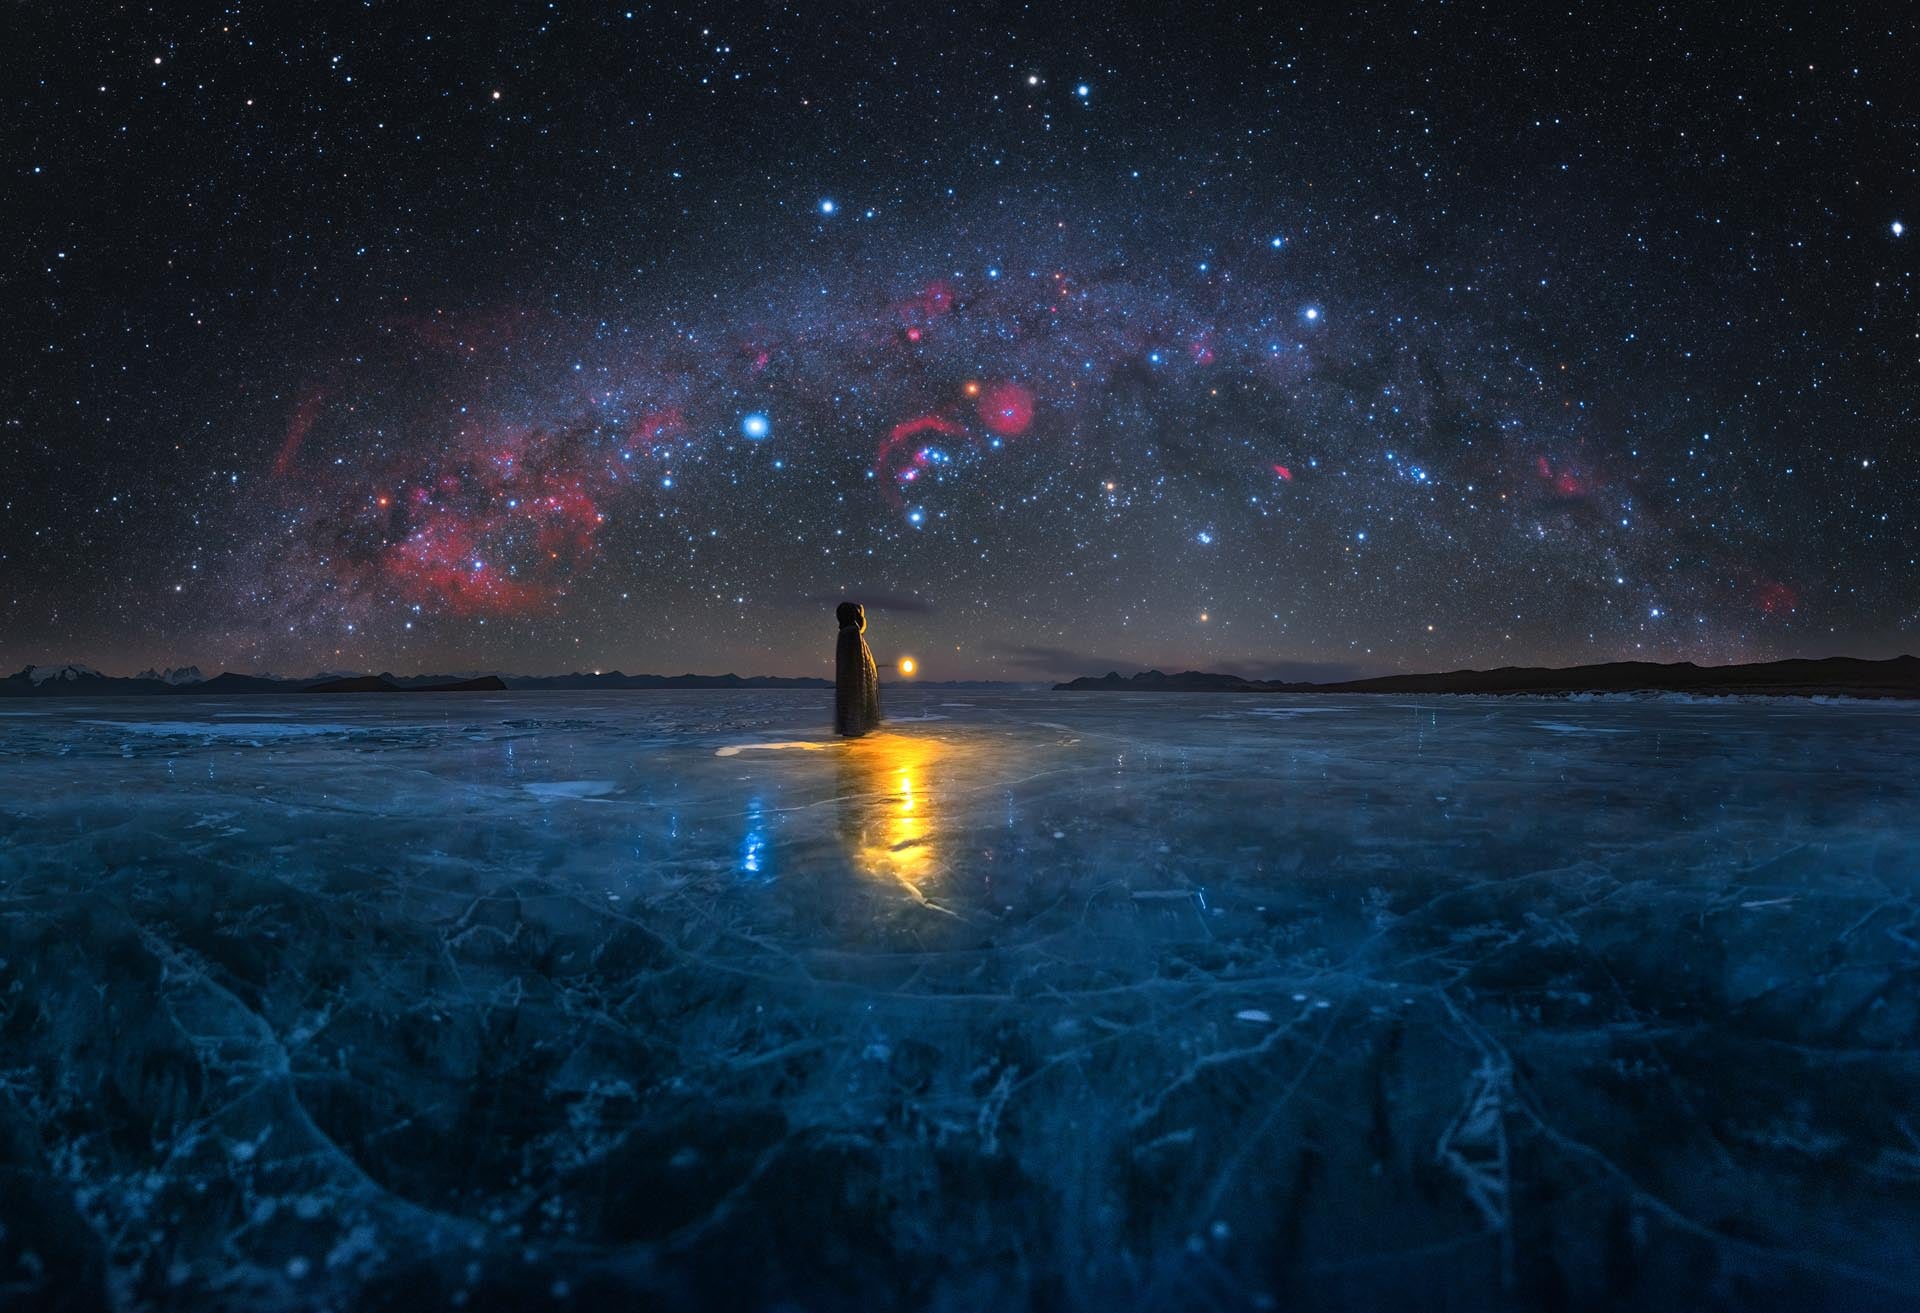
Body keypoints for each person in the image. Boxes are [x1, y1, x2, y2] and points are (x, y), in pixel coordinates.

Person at [834, 600, 881, 737]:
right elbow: (856, 664)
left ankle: (852, 725)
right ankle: (853, 726)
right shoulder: (851, 633)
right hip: (853, 684)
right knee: (852, 698)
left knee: (850, 697)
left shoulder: (846, 634)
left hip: (850, 682)